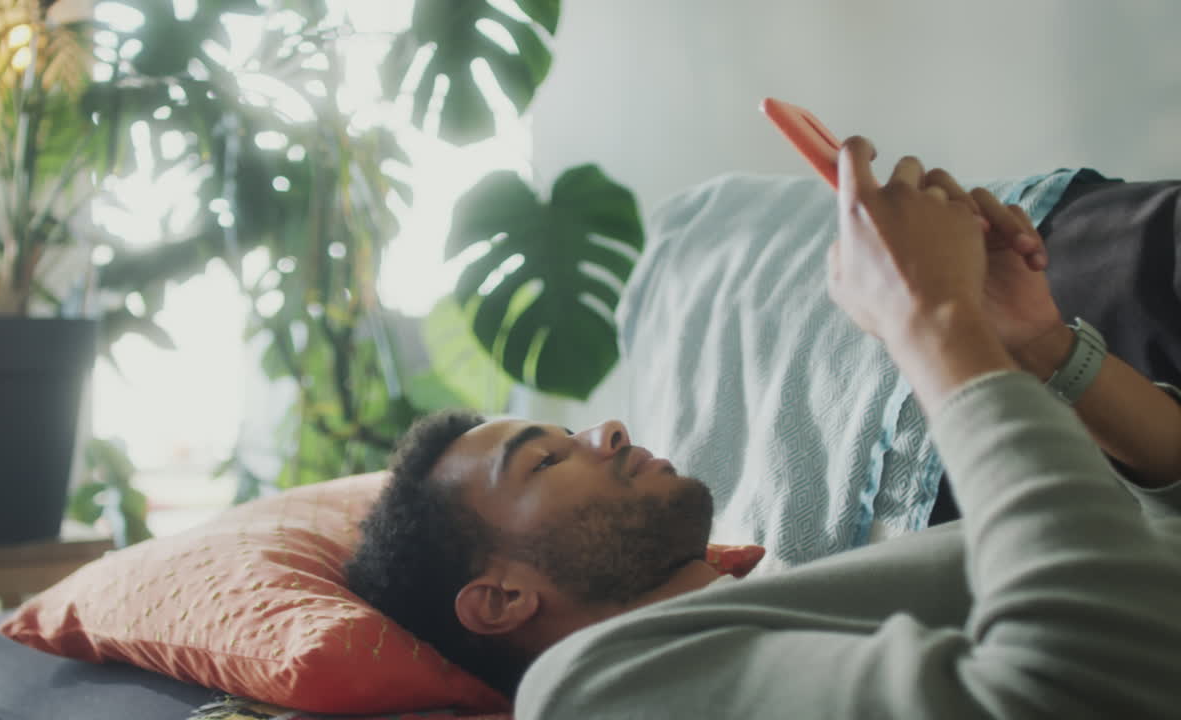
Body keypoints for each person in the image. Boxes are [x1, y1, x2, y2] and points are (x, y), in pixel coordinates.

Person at [345, 137, 1181, 717]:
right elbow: (1103, 673)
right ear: (500, 599)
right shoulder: (584, 692)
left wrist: (1041, 345)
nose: (602, 432)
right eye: (543, 460)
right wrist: (934, 323)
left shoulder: (805, 588)